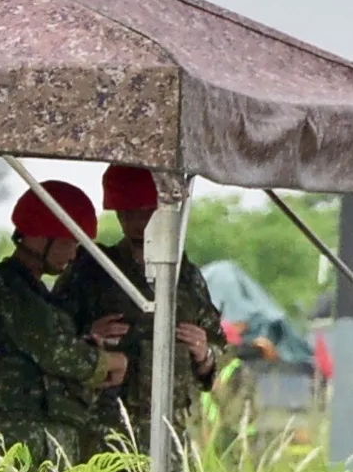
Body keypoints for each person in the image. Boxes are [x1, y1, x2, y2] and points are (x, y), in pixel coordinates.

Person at [0, 181, 129, 471]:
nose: (73, 255)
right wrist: (112, 361)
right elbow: (58, 354)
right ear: (38, 237)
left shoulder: (29, 291)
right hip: (30, 434)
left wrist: (87, 338)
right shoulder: (8, 289)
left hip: (41, 428)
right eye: (67, 242)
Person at [52, 165, 227, 456]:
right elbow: (54, 342)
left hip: (170, 434)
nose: (135, 221)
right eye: (126, 213)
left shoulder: (184, 277)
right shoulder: (91, 271)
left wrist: (205, 355)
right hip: (104, 435)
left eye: (144, 211)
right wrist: (88, 337)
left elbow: (218, 346)